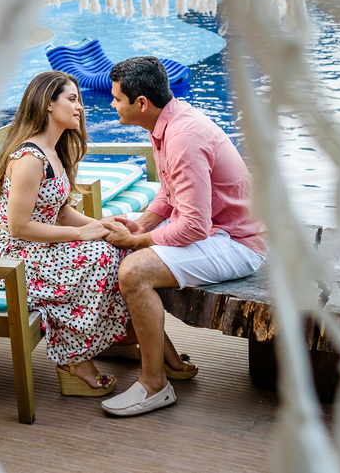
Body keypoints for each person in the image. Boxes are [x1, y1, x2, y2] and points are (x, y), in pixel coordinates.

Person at [98, 56, 266, 417]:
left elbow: (193, 226)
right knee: (111, 237)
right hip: (216, 231)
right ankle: (163, 359)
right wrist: (142, 224)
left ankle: (154, 385)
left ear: (141, 103)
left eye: (116, 98)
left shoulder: (182, 137)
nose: (112, 104)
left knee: (133, 271)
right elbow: (168, 193)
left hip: (237, 242)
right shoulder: (167, 121)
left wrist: (140, 242)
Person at [0, 70, 132, 396]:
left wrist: (99, 225)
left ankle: (102, 343)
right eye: (72, 99)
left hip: (34, 248)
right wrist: (81, 236)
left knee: (114, 246)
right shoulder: (31, 158)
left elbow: (59, 210)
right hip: (7, 257)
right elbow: (18, 227)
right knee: (99, 256)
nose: (80, 108)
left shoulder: (53, 152)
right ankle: (74, 360)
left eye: (80, 101)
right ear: (49, 103)